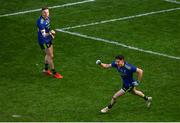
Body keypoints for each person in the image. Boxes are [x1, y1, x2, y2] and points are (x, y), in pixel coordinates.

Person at [37, 7, 63, 79]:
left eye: (47, 12)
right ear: (41, 13)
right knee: (50, 56)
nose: (46, 14)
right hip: (43, 41)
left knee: (49, 55)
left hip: (48, 39)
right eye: (44, 12)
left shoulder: (48, 18)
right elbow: (44, 34)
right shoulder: (40, 22)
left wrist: (51, 35)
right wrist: (51, 33)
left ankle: (45, 69)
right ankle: (54, 72)